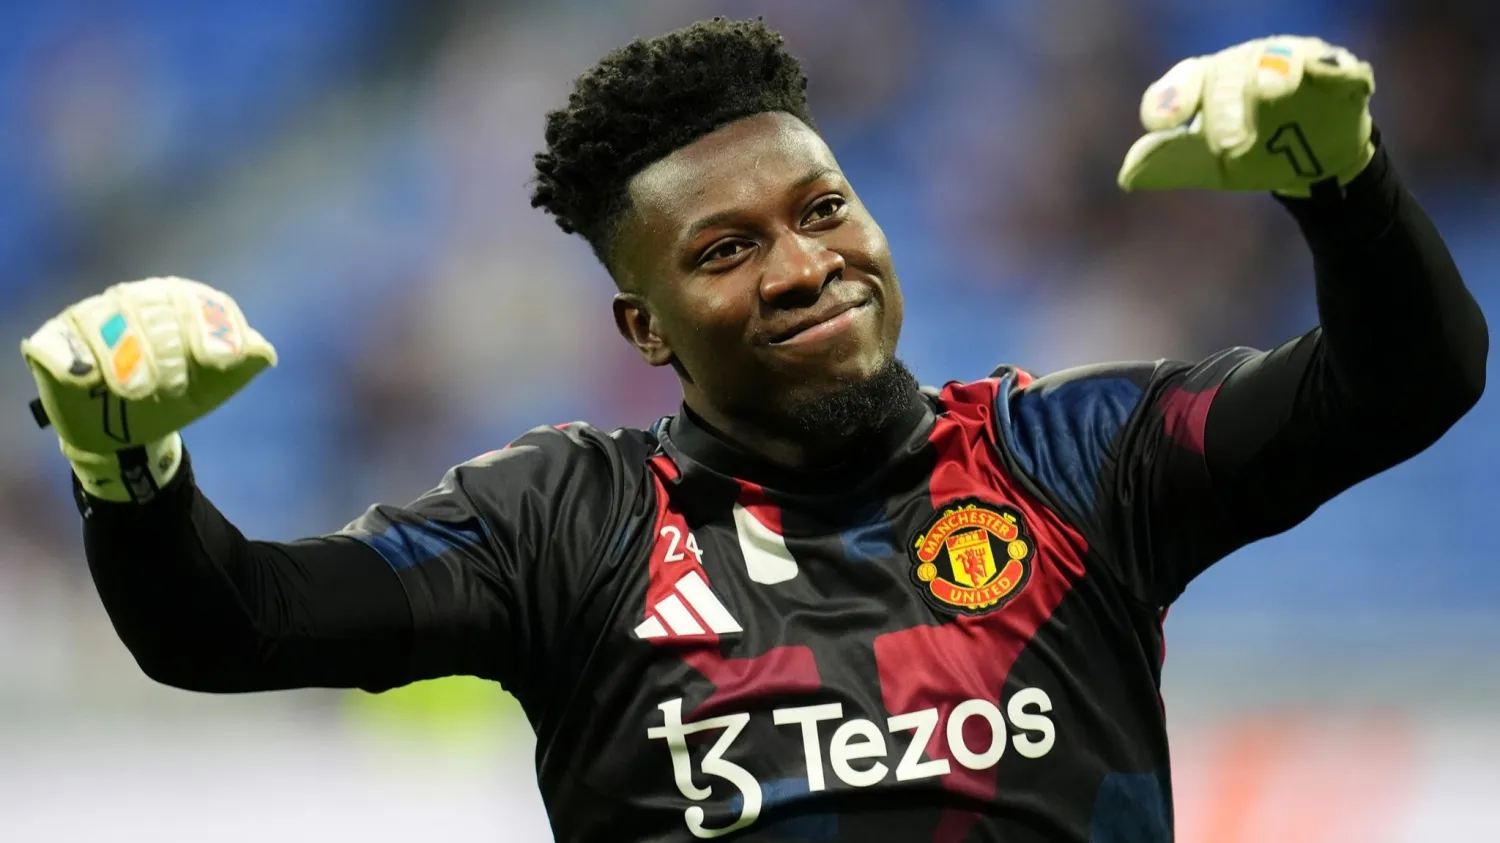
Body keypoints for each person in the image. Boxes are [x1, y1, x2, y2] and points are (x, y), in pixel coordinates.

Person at [18, 17, 1487, 843]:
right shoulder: (566, 526)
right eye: (724, 251)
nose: (803, 265)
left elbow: (1407, 381)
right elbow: (232, 624)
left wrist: (1343, 187)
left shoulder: (1072, 459)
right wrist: (126, 469)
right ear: (644, 328)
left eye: (824, 208)